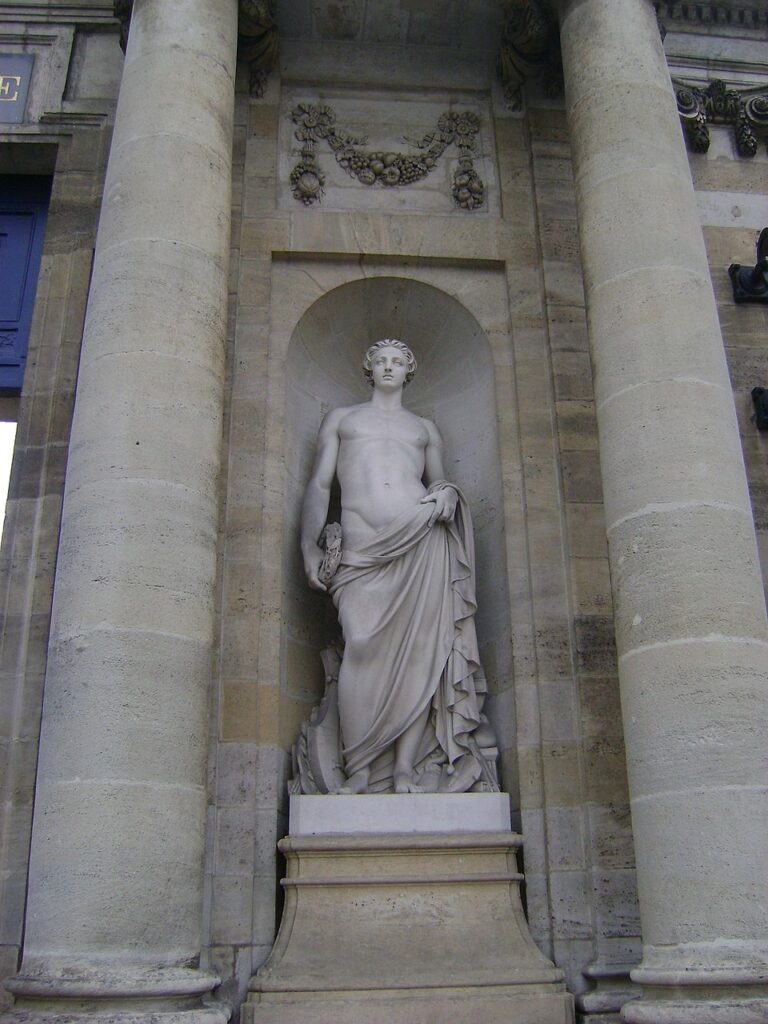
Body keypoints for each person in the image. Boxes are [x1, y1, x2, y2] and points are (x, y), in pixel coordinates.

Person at [301, 339, 496, 794]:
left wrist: (447, 492)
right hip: (362, 549)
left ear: (409, 372)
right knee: (361, 646)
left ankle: (406, 768)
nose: (389, 367)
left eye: (398, 362)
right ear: (369, 370)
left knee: (421, 655)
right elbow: (317, 484)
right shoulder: (343, 420)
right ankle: (360, 766)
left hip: (422, 542)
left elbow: (438, 479)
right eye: (381, 361)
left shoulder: (423, 429)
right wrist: (308, 546)